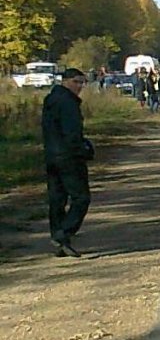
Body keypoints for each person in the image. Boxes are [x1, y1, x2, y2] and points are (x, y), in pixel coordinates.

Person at [42, 68, 94, 258]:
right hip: (68, 157)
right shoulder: (68, 103)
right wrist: (84, 150)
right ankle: (63, 233)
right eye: (76, 82)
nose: (79, 86)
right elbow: (71, 134)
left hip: (52, 156)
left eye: (82, 83)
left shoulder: (51, 99)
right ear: (65, 81)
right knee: (81, 198)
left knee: (57, 199)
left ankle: (60, 240)